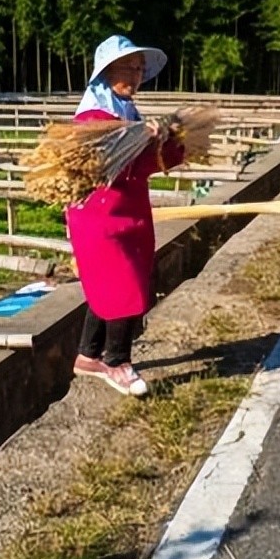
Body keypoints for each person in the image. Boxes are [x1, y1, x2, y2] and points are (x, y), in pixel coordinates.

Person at [68, 34, 185, 397]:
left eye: (138, 69)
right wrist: (150, 142)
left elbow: (141, 164)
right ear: (105, 73)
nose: (135, 76)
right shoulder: (93, 119)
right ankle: (118, 362)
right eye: (127, 68)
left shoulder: (126, 112)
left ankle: (88, 356)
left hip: (127, 212)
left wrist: (168, 142)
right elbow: (115, 167)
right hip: (103, 218)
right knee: (123, 284)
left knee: (110, 283)